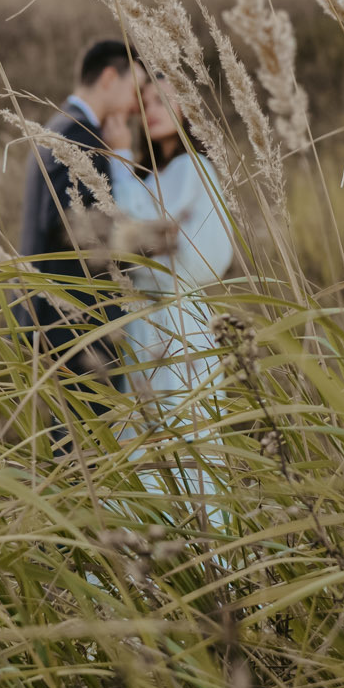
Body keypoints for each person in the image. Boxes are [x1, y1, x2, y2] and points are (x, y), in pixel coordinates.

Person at [107, 73, 236, 502]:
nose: (154, 109)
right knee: (144, 439)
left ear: (186, 110)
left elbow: (144, 227)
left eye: (164, 100)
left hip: (177, 323)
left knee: (179, 435)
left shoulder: (192, 168)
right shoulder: (152, 176)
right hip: (146, 323)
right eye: (146, 102)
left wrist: (119, 154)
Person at [13, 39, 143, 425]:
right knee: (85, 448)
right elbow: (70, 223)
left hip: (66, 320)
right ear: (108, 78)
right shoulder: (76, 135)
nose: (135, 105)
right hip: (74, 323)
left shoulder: (66, 127)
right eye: (133, 89)